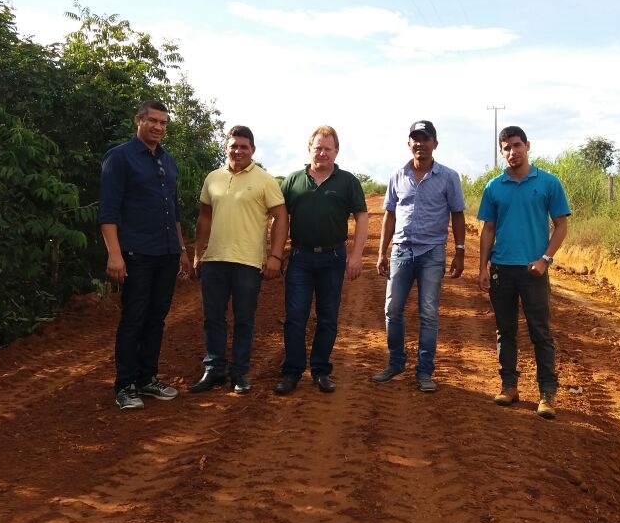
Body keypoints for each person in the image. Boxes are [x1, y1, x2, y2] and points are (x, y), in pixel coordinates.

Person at [99, 100, 194, 411]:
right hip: (137, 253)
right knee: (134, 318)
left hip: (166, 251)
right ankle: (125, 384)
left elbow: (175, 211)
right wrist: (115, 254)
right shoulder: (120, 157)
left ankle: (147, 378)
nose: (158, 127)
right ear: (137, 120)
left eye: (163, 123)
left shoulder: (167, 161)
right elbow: (108, 211)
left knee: (157, 318)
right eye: (152, 120)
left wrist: (181, 249)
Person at [477, 125, 570, 419]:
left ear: (527, 146)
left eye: (516, 145)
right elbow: (488, 229)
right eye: (506, 148)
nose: (512, 152)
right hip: (502, 270)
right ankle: (509, 386)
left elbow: (561, 225)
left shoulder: (548, 183)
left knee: (540, 332)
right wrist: (482, 267)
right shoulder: (493, 187)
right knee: (505, 331)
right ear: (501, 151)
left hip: (534, 272)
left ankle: (547, 394)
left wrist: (545, 259)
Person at [190, 125, 288, 394]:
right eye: (233, 145)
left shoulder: (265, 180)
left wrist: (275, 256)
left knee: (244, 319)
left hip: (248, 262)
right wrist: (198, 253)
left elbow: (281, 216)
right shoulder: (213, 178)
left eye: (244, 146)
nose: (238, 150)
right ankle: (214, 369)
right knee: (213, 318)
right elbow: (205, 217)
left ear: (253, 150)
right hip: (214, 259)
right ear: (226, 147)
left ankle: (239, 373)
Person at [274, 126, 368, 395]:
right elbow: (280, 219)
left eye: (328, 148)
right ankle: (291, 372)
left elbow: (362, 216)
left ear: (336, 151)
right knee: (295, 317)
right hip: (300, 259)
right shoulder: (292, 181)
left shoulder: (348, 181)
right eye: (318, 147)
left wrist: (357, 254)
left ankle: (320, 371)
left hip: (333, 258)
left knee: (327, 318)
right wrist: (275, 254)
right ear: (309, 148)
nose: (323, 152)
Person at [373, 120, 466, 392]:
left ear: (435, 143)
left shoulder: (448, 177)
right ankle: (395, 362)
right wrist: (381, 252)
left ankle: (425, 371)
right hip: (401, 251)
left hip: (432, 252)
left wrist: (460, 251)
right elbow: (389, 215)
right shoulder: (397, 176)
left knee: (428, 313)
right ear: (409, 143)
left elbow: (458, 214)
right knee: (392, 310)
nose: (420, 144)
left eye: (425, 139)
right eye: (415, 138)